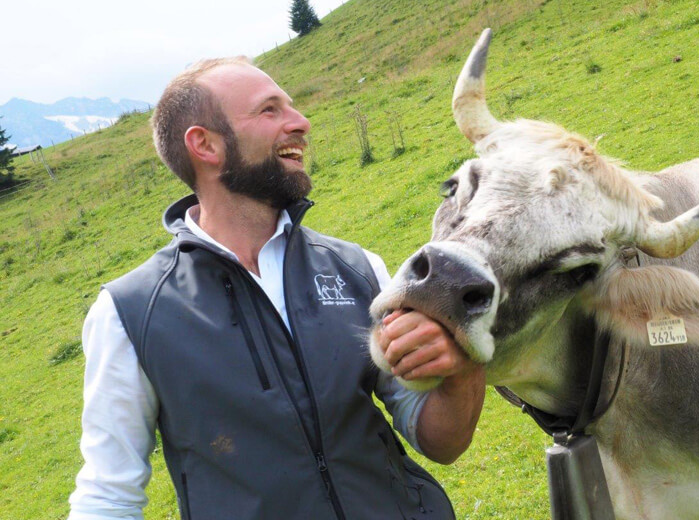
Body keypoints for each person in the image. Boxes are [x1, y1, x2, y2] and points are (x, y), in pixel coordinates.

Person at [67, 56, 485, 519]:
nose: (300, 122)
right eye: (270, 110)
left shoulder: (356, 267)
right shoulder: (131, 312)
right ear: (205, 145)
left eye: (291, 107)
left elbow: (440, 441)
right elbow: (108, 497)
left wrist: (463, 371)